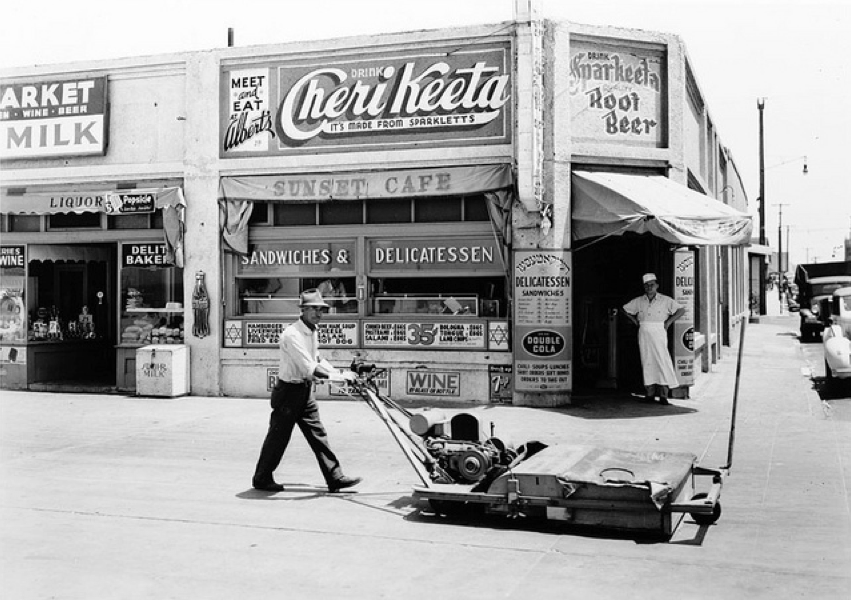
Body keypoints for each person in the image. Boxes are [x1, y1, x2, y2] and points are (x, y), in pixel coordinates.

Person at [252, 289, 362, 493]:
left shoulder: (312, 331)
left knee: (318, 434)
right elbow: (309, 368)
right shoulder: (291, 334)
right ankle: (261, 478)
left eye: (321, 310)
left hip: (305, 391)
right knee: (278, 437)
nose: (319, 314)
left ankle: (335, 477)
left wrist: (341, 373)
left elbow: (317, 360)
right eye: (314, 309)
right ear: (303, 310)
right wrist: (339, 378)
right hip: (288, 392)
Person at [622, 273, 685, 405]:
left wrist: (668, 322)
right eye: (646, 285)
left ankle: (663, 394)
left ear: (657, 285)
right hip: (644, 332)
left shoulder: (665, 300)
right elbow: (625, 309)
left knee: (662, 360)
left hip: (659, 332)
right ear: (644, 287)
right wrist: (635, 321)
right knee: (647, 361)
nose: (649, 287)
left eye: (652, 285)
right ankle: (649, 394)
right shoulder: (639, 301)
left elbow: (681, 310)